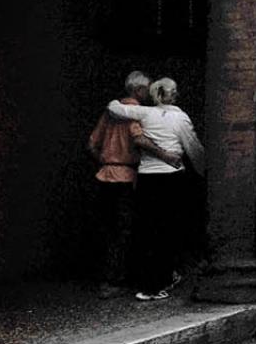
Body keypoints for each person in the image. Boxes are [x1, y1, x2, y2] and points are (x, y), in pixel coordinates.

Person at [106, 77, 205, 301]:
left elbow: (113, 108)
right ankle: (161, 281)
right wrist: (204, 172)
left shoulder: (145, 113)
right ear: (173, 95)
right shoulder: (180, 118)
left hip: (147, 178)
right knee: (168, 231)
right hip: (171, 178)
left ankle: (146, 284)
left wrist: (124, 102)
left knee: (147, 230)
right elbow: (194, 148)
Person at [87, 70, 179, 299]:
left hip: (104, 175)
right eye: (147, 90)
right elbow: (138, 139)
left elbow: (91, 144)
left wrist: (108, 160)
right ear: (138, 91)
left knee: (108, 230)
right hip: (126, 178)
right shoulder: (134, 113)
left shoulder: (109, 114)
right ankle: (116, 281)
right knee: (126, 231)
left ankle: (107, 278)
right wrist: (165, 155)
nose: (150, 94)